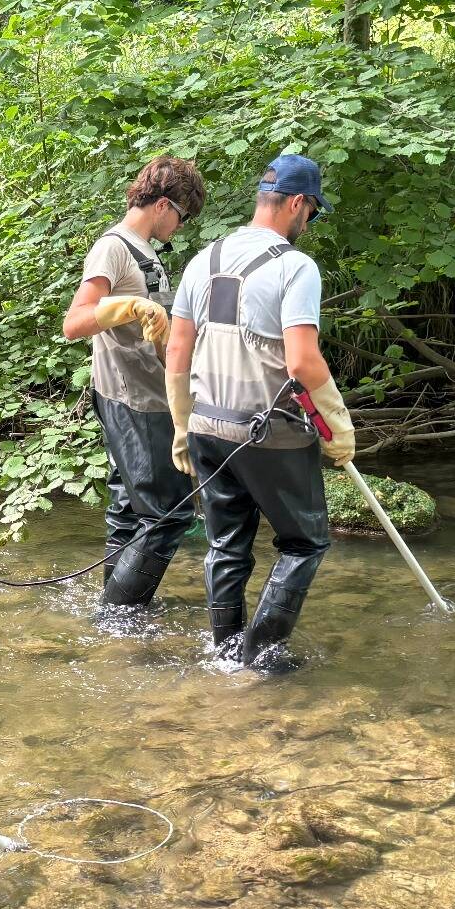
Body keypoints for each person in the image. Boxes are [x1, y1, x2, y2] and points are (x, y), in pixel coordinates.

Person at [164, 154, 354, 669]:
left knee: (226, 545)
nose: (309, 221)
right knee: (305, 543)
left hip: (207, 426)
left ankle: (226, 656)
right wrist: (337, 423)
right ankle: (261, 658)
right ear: (298, 203)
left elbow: (177, 351)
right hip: (269, 433)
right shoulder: (296, 267)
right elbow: (302, 361)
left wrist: (181, 425)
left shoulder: (202, 259)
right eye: (312, 211)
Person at [62, 155, 207, 605]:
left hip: (148, 396)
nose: (180, 227)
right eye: (182, 215)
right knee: (170, 516)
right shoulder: (113, 247)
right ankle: (119, 613)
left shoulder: (145, 253)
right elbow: (74, 323)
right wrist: (127, 307)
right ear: (163, 205)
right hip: (132, 402)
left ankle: (116, 613)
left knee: (128, 512)